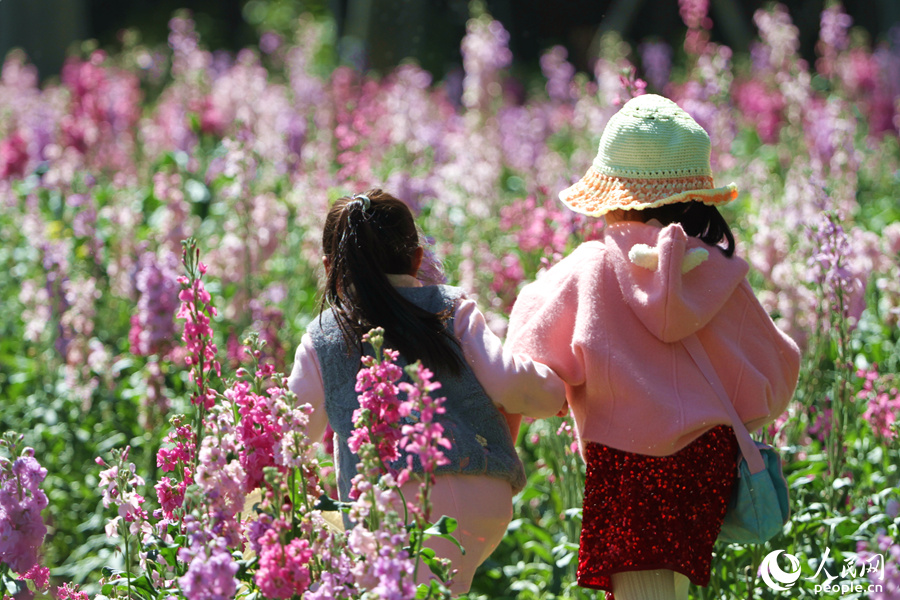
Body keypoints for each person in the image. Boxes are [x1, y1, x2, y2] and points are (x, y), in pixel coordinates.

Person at [503, 94, 801, 600]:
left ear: (616, 197)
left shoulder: (592, 266)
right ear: (694, 196)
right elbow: (778, 369)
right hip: (702, 466)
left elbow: (528, 366)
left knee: (638, 590)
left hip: (624, 465)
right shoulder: (719, 273)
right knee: (670, 588)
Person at [287, 188, 566, 594]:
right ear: (418, 258)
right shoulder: (451, 308)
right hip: (481, 501)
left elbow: (291, 434)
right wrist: (556, 393)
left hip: (392, 512)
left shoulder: (323, 337)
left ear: (329, 267)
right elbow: (507, 381)